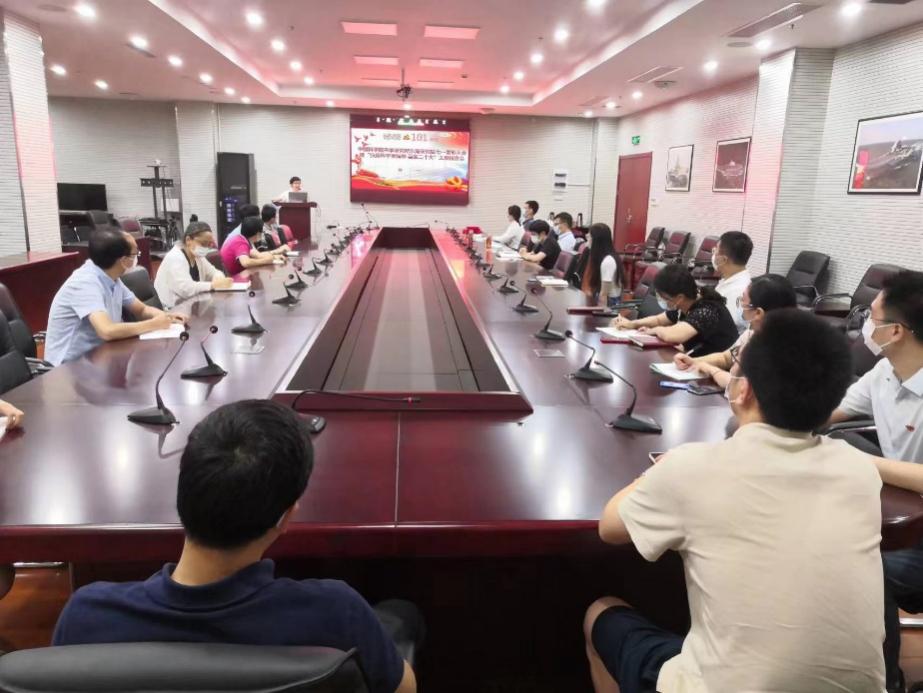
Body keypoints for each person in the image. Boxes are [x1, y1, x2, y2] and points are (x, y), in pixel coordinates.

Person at [585, 309, 885, 693]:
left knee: (600, 614)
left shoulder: (692, 467)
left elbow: (609, 528)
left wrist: (660, 471)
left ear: (743, 390)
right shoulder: (859, 471)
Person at [52, 400, 419, 693]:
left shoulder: (85, 615)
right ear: (286, 517)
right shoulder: (336, 612)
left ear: (184, 492)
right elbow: (402, 688)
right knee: (402, 615)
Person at [826, 270, 923, 692]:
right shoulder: (885, 371)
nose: (866, 324)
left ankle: (886, 681)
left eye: (873, 317)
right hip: (907, 512)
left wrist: (864, 463)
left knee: (857, 563)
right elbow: (830, 411)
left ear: (896, 331)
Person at [45, 228, 187, 366]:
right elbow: (106, 331)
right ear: (123, 260)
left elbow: (142, 309)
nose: (137, 257)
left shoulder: (112, 277)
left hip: (100, 356)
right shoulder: (84, 283)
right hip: (68, 368)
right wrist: (153, 324)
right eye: (135, 254)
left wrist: (166, 317)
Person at [673, 273, 797, 387]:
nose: (741, 305)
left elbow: (743, 387)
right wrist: (693, 362)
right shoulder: (752, 333)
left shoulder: (782, 350)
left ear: (758, 313)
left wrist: (711, 370)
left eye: (743, 301)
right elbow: (726, 358)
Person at [611, 264, 737, 356]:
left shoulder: (707, 310)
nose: (660, 300)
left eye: (663, 297)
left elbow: (673, 336)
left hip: (718, 369)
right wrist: (632, 324)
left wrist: (653, 331)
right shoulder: (685, 302)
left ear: (679, 297)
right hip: (695, 362)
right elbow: (659, 320)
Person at [154, 222, 233, 309]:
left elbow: (214, 272)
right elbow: (186, 289)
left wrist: (219, 278)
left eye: (209, 244)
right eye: (203, 244)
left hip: (191, 304)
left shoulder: (198, 257)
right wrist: (213, 285)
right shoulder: (175, 257)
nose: (206, 248)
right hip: (171, 309)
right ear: (188, 240)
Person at [712, 231, 753, 333]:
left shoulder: (739, 291)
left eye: (716, 250)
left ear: (723, 259)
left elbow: (724, 328)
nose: (713, 253)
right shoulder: (729, 280)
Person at [581, 223, 624, 307]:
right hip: (602, 298)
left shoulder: (608, 261)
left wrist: (599, 312)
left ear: (596, 240)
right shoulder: (602, 258)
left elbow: (604, 294)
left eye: (589, 237)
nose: (587, 240)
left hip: (609, 303)